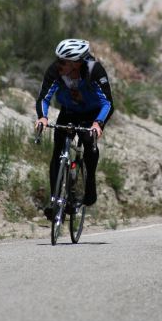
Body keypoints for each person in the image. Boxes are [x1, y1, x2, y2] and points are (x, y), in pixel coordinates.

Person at [35, 39, 114, 221]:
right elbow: (43, 98)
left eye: (63, 61)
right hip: (69, 112)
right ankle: (55, 202)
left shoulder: (94, 71)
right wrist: (42, 117)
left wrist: (98, 124)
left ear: (76, 63)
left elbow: (107, 103)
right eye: (58, 60)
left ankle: (90, 185)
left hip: (91, 115)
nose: (58, 64)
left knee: (88, 143)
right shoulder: (55, 71)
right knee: (57, 152)